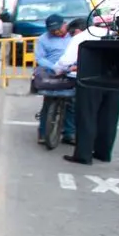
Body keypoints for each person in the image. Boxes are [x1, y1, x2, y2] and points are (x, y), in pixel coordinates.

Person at [55, 20, 119, 165]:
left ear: (76, 30)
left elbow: (66, 61)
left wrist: (58, 69)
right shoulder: (116, 35)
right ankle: (103, 153)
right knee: (109, 118)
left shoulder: (80, 38)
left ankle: (83, 155)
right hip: (117, 81)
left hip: (90, 80)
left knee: (87, 117)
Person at [34, 13, 75, 145]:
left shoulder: (74, 37)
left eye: (58, 29)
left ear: (65, 25)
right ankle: (42, 132)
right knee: (48, 102)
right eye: (52, 30)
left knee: (72, 103)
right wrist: (53, 67)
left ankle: (69, 133)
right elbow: (40, 58)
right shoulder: (43, 39)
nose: (56, 32)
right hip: (52, 72)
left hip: (71, 72)